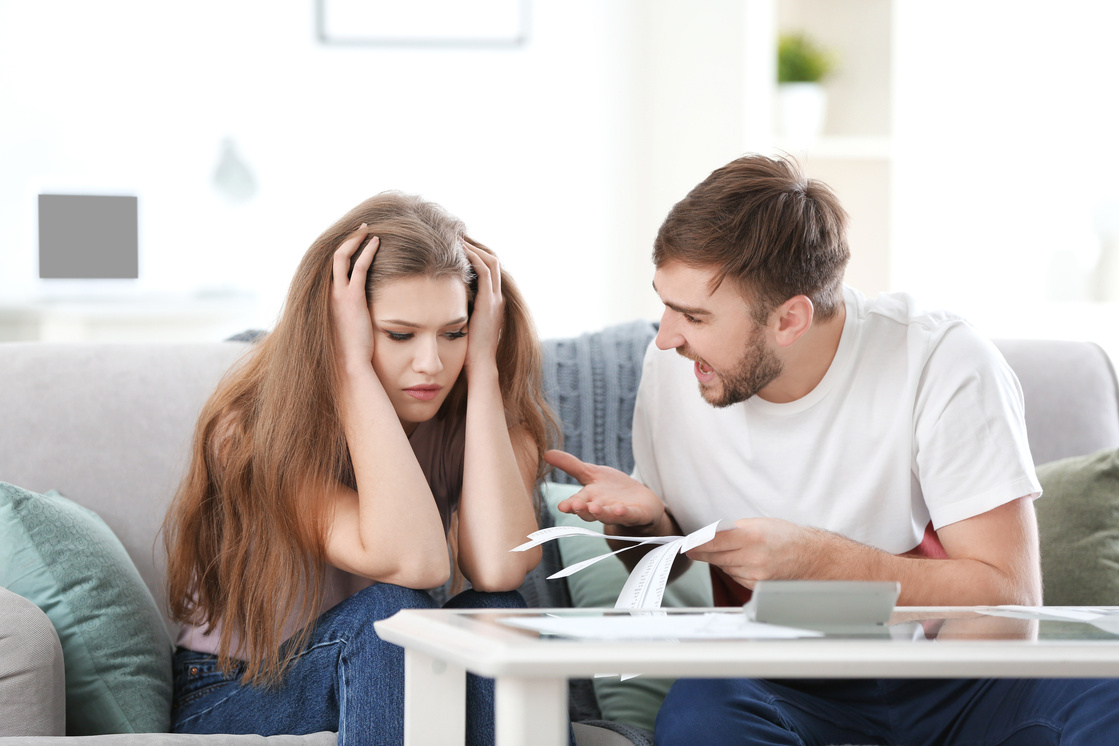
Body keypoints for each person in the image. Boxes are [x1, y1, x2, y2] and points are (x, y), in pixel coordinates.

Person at [544, 154, 1119, 744]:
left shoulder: (940, 360)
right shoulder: (675, 369)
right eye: (665, 304)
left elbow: (1009, 600)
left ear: (791, 318)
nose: (666, 337)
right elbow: (669, 563)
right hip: (771, 684)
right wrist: (644, 523)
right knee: (701, 714)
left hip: (949, 679)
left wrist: (820, 563)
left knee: (1108, 704)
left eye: (694, 315)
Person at [163, 192, 558, 745]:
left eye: (454, 332)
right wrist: (351, 368)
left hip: (394, 675)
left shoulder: (482, 423)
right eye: (399, 335)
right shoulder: (253, 435)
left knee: (498, 612)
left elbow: (498, 571)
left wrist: (486, 369)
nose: (431, 364)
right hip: (239, 686)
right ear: (337, 324)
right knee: (391, 613)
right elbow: (411, 561)